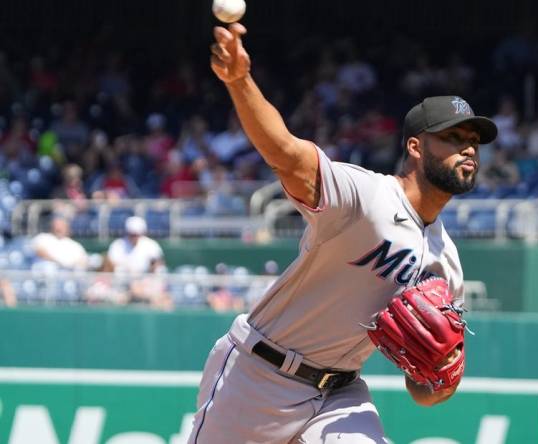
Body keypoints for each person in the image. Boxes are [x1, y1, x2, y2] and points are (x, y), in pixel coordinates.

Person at [189, 23, 497, 444]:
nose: (469, 148)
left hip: (341, 393)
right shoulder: (367, 196)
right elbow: (285, 154)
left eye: (475, 141)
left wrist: (441, 383)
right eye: (454, 137)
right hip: (260, 375)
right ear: (415, 147)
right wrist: (240, 81)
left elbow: (422, 388)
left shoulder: (447, 262)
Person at [103, 216, 171, 309]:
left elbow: (157, 266)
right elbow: (109, 267)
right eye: (132, 234)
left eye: (137, 234)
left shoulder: (151, 245)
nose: (134, 236)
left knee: (164, 300)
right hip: (121, 285)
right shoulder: (118, 245)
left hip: (145, 283)